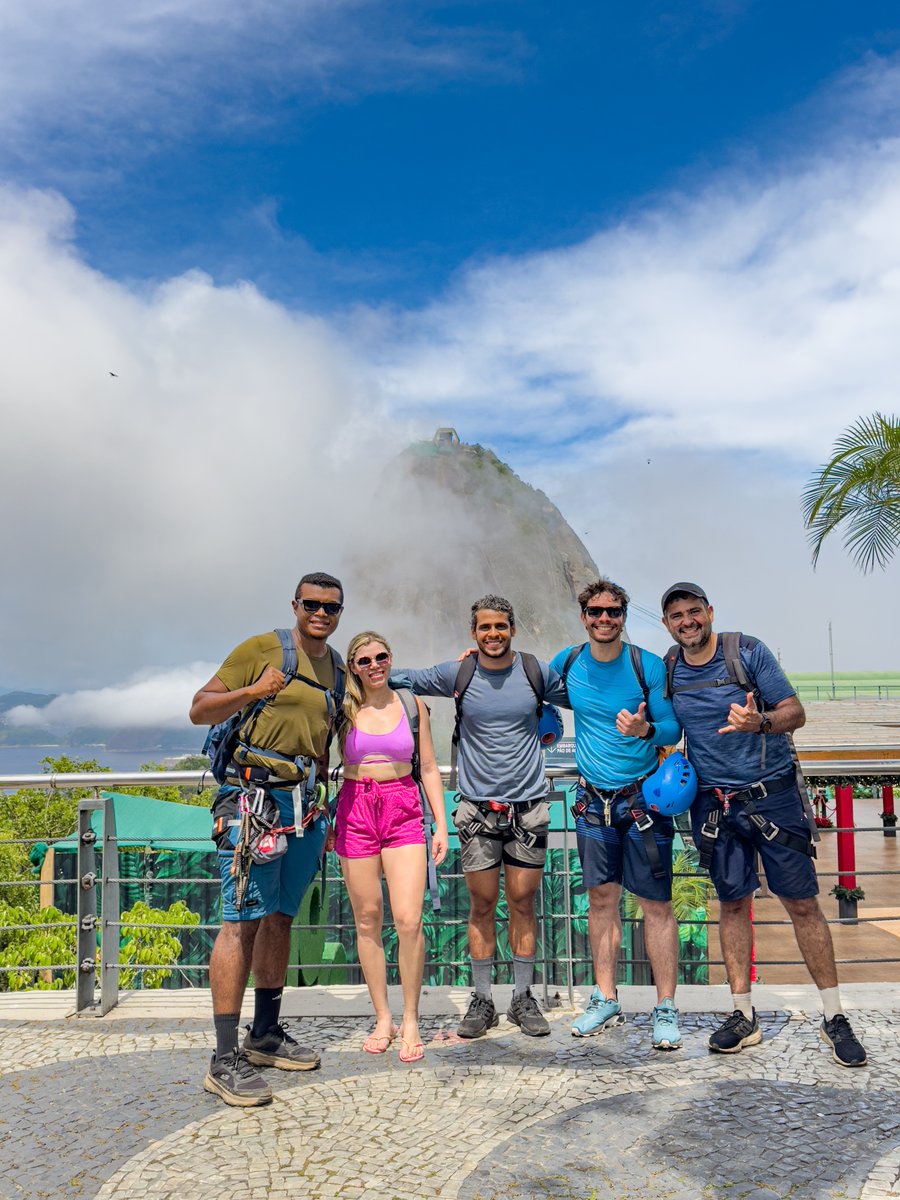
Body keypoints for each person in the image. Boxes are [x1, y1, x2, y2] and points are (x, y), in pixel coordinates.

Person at [660, 581, 868, 1067]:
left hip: (772, 799)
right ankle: (742, 1014)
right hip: (714, 806)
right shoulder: (668, 666)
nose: (687, 621)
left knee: (802, 904)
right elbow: (663, 724)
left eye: (694, 612)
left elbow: (795, 712)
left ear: (709, 612)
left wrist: (762, 724)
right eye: (677, 616)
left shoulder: (746, 651)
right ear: (668, 624)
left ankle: (834, 1016)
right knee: (732, 904)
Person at [189, 571, 345, 1106]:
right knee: (240, 922)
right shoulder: (262, 649)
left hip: (305, 806)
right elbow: (199, 708)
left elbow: (324, 743)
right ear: (296, 604)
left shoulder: (338, 668)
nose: (321, 613)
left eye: (331, 606)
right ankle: (223, 1059)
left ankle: (266, 1034)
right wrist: (255, 690)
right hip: (253, 801)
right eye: (312, 604)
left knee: (280, 915)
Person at [399, 595, 567, 1038]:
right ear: (473, 634)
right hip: (477, 812)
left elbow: (586, 692)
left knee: (523, 904)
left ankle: (522, 998)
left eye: (501, 626)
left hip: (528, 809)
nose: (493, 634)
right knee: (482, 905)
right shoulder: (460, 673)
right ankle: (483, 1000)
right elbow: (402, 677)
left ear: (513, 628)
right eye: (485, 628)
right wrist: (350, 672)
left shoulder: (536, 672)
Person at [550, 578, 684, 1050]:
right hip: (592, 804)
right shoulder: (567, 663)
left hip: (641, 804)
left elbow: (672, 724)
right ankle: (605, 997)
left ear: (623, 616)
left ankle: (665, 1006)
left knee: (656, 905)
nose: (604, 619)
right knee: (602, 902)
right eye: (595, 611)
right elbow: (534, 691)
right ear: (583, 614)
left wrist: (647, 728)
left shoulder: (643, 664)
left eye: (613, 612)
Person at [331, 631, 448, 1064]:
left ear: (391, 659)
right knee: (366, 919)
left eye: (381, 656)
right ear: (353, 668)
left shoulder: (411, 705)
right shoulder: (342, 710)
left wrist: (441, 824)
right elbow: (325, 764)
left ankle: (412, 1018)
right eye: (364, 660)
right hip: (355, 808)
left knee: (408, 919)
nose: (375, 665)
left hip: (402, 807)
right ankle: (383, 1017)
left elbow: (430, 767)